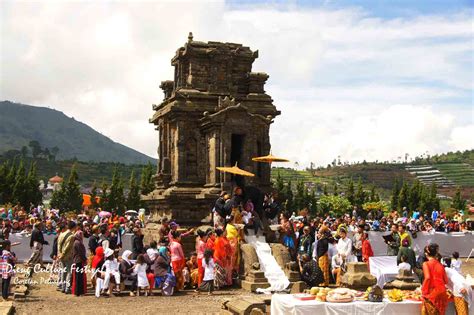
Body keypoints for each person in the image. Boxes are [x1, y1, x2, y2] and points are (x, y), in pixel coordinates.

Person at [421, 244, 448, 315]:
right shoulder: (440, 265)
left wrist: (423, 289)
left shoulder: (426, 264)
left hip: (432, 293)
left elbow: (427, 278)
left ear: (426, 253)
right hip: (442, 293)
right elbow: (446, 281)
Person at [58, 221, 76, 294]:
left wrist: (60, 253)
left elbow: (59, 245)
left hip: (61, 255)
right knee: (69, 272)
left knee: (63, 271)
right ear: (73, 227)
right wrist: (63, 253)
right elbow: (68, 246)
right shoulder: (71, 236)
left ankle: (63, 286)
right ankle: (67, 288)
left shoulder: (61, 234)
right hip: (68, 255)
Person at [72, 230, 87, 296]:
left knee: (79, 276)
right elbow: (81, 253)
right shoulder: (78, 243)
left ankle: (78, 291)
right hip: (79, 261)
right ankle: (78, 291)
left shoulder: (77, 242)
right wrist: (85, 259)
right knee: (79, 277)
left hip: (78, 260)